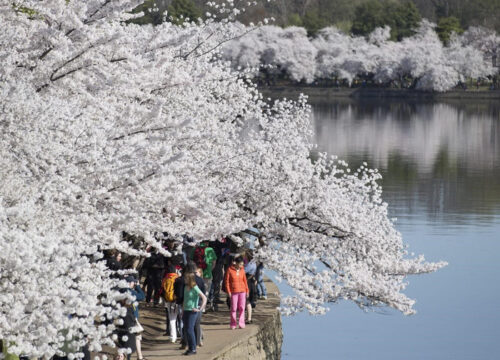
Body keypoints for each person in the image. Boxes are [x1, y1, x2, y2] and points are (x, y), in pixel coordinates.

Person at [181, 272, 207, 356]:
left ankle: (193, 348)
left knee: (190, 329)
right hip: (186, 310)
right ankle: (190, 347)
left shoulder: (195, 287)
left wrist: (199, 309)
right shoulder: (185, 287)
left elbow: (204, 298)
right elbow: (185, 299)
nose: (184, 280)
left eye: (186, 278)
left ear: (190, 279)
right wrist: (183, 310)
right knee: (186, 329)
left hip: (193, 311)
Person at [224, 257, 249, 329]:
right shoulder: (229, 270)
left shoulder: (242, 270)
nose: (242, 265)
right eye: (240, 264)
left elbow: (245, 281)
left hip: (242, 291)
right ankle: (233, 323)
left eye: (242, 264)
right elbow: (227, 282)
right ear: (236, 263)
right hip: (234, 291)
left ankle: (241, 323)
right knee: (234, 308)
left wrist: (247, 290)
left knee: (242, 308)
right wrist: (228, 291)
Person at [126, 275, 146, 360]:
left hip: (128, 317)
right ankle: (137, 356)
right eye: (133, 282)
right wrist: (138, 286)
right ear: (130, 283)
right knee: (135, 336)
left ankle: (139, 356)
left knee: (137, 336)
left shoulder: (123, 291)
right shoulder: (130, 291)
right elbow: (142, 296)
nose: (134, 284)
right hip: (132, 317)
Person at [162, 265, 180, 343]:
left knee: (172, 319)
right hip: (178, 301)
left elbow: (162, 291)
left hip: (169, 301)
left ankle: (173, 337)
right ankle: (183, 336)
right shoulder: (178, 279)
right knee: (182, 319)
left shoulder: (165, 279)